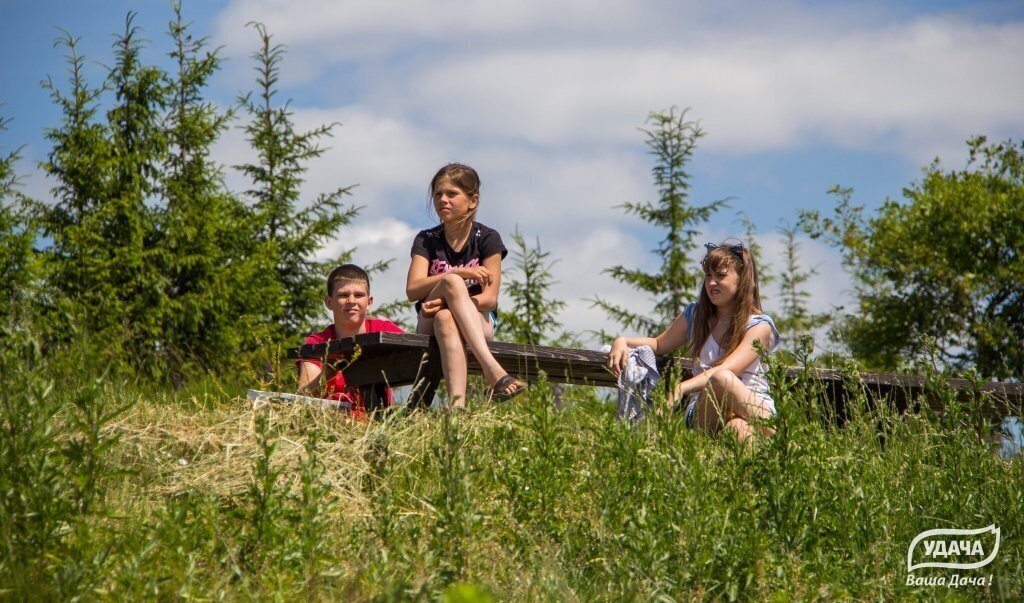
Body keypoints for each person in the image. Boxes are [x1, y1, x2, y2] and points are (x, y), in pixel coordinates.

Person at [607, 241, 780, 442]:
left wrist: (680, 388)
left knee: (738, 430)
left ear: (741, 280)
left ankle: (757, 454)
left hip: (753, 406)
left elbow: (728, 369)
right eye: (708, 276)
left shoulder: (759, 325)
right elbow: (658, 344)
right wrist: (622, 341)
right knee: (721, 382)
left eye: (720, 276)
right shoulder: (695, 316)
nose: (712, 283)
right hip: (706, 410)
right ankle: (780, 442)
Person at [406, 163, 526, 409]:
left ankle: (456, 411)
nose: (443, 200)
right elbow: (413, 290)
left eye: (452, 194)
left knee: (446, 318)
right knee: (450, 281)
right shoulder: (426, 240)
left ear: (473, 201)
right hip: (426, 319)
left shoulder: (488, 239)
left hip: (479, 320)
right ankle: (492, 370)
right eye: (438, 194)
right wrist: (457, 274)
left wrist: (448, 301)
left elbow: (490, 299)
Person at [297, 264, 404, 418]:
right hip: (331, 422)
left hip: (375, 421)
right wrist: (329, 372)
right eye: (343, 295)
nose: (351, 301)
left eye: (359, 295)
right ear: (329, 302)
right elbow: (303, 394)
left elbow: (418, 362)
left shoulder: (384, 331)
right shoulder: (318, 343)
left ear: (369, 302)